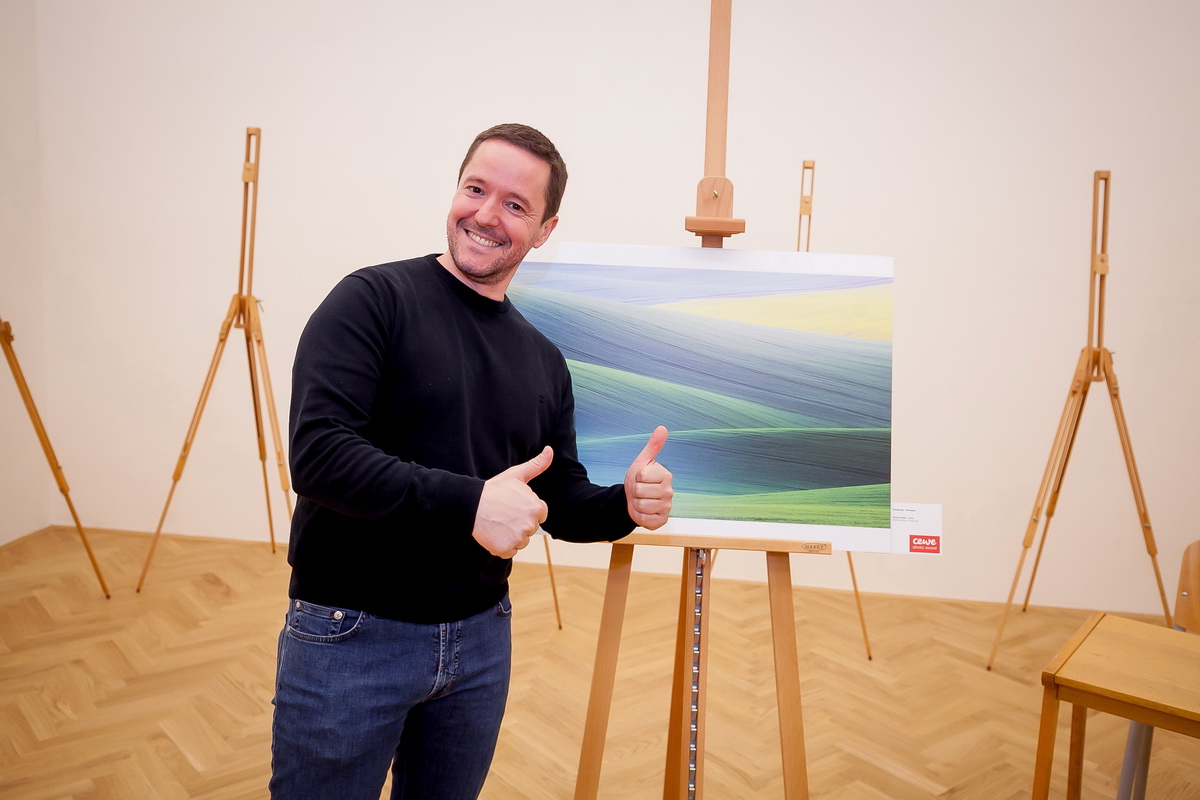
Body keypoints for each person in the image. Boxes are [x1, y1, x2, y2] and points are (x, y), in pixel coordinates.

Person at [269, 123, 674, 800]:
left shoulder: (541, 358)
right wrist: (472, 504)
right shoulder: (371, 300)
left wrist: (623, 504)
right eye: (476, 189)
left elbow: (557, 495)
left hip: (480, 643)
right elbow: (319, 456)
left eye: (515, 205)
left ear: (544, 230)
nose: (486, 215)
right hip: (351, 634)